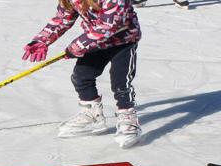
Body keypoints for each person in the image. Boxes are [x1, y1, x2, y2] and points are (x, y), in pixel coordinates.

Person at [24, 0, 144, 149]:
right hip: (96, 42)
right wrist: (41, 40)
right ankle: (92, 114)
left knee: (120, 82)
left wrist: (77, 46)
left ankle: (128, 117)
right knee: (81, 77)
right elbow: (62, 18)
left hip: (124, 41)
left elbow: (108, 26)